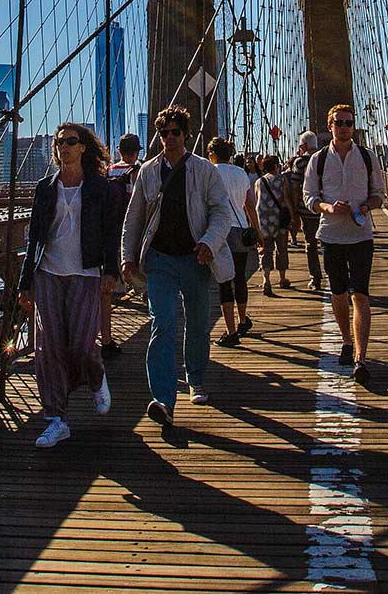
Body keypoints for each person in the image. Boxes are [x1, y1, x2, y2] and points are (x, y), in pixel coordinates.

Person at [120, 105, 238, 426]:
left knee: (198, 322)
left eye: (175, 132)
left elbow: (221, 212)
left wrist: (209, 243)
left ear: (186, 134)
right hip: (159, 259)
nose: (169, 138)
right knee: (163, 323)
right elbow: (134, 218)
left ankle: (195, 379)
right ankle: (163, 399)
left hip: (195, 258)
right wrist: (127, 258)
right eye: (164, 133)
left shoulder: (203, 170)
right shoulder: (147, 170)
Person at [18, 123, 122, 447]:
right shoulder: (44, 188)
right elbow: (34, 237)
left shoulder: (101, 188)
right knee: (47, 348)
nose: (64, 146)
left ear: (83, 148)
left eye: (71, 141)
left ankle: (96, 374)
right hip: (48, 272)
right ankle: (56, 419)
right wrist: (25, 282)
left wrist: (111, 270)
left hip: (85, 272)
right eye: (59, 141)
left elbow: (109, 233)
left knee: (79, 345)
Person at [303, 104, 382, 382]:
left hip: (361, 236)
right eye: (339, 122)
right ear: (330, 126)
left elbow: (379, 195)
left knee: (360, 294)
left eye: (349, 122)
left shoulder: (369, 157)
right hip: (331, 236)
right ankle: (346, 340)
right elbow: (309, 197)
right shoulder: (318, 160)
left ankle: (361, 357)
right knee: (338, 293)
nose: (345, 126)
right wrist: (327, 207)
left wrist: (364, 207)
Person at [206, 137, 259, 346]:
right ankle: (243, 320)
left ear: (212, 154)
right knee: (239, 278)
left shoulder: (210, 172)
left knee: (223, 280)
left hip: (221, 231)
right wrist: (257, 231)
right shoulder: (241, 172)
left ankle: (230, 332)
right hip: (241, 231)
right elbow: (249, 205)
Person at [100, 132, 144, 357]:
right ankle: (141, 288)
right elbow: (138, 200)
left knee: (112, 265)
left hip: (108, 227)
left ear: (119, 150)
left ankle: (118, 288)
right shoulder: (137, 170)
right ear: (137, 151)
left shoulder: (108, 170)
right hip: (127, 224)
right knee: (133, 258)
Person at [288, 131, 325, 291]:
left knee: (310, 244)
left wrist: (295, 210)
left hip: (307, 208)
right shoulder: (326, 158)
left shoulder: (300, 162)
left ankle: (315, 278)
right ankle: (338, 275)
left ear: (303, 146)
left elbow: (296, 187)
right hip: (327, 208)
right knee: (330, 243)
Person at [254, 154, 293, 296]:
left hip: (263, 220)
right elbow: (286, 198)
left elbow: (257, 198)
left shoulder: (259, 181)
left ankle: (266, 280)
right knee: (281, 248)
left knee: (266, 248)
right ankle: (282, 279)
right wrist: (292, 216)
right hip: (279, 219)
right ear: (276, 166)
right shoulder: (282, 180)